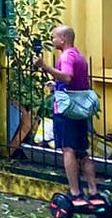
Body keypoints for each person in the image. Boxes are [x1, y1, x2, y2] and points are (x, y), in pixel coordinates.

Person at [41, 24, 99, 199]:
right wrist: (56, 86)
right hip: (80, 109)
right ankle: (93, 191)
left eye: (54, 37)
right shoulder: (78, 56)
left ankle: (75, 191)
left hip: (66, 111)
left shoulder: (66, 56)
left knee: (68, 150)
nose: (52, 41)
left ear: (62, 39)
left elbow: (67, 77)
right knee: (82, 151)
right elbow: (73, 84)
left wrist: (45, 66)